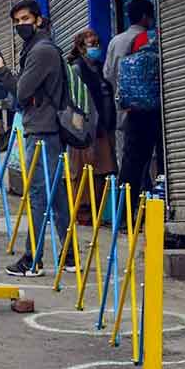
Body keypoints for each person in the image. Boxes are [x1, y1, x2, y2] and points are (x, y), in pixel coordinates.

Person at [0, 0, 73, 277]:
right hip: (45, 128)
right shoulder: (37, 48)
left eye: (25, 19)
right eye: (16, 21)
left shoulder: (41, 51)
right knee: (55, 194)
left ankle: (32, 259)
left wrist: (1, 71)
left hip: (44, 131)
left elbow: (22, 92)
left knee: (37, 194)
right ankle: (69, 256)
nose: (20, 25)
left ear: (38, 20)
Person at [103, 0, 163, 204]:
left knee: (130, 159)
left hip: (127, 109)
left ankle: (126, 209)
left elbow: (108, 74)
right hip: (155, 108)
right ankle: (156, 201)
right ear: (147, 17)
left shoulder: (115, 41)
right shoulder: (153, 38)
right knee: (160, 157)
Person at [67, 29, 117, 225]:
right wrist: (80, 131)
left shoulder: (98, 67)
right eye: (91, 44)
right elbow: (74, 102)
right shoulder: (77, 68)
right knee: (83, 171)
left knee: (103, 169)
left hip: (102, 127)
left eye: (97, 43)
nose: (96, 48)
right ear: (80, 47)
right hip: (86, 129)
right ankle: (83, 213)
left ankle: (96, 211)